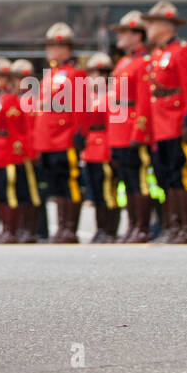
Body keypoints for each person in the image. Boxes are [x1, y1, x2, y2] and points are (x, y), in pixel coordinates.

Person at [142, 0, 187, 244]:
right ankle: (171, 226)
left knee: (181, 174)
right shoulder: (157, 54)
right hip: (160, 125)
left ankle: (186, 229)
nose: (148, 29)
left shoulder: (183, 50)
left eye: (152, 23)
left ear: (166, 25)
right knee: (164, 175)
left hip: (178, 120)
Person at [31, 23, 86, 244]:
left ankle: (69, 228)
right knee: (55, 184)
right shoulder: (50, 75)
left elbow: (81, 107)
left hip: (64, 136)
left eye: (56, 45)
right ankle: (61, 227)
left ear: (67, 48)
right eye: (50, 45)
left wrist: (78, 133)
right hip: (48, 138)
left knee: (69, 182)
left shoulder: (75, 73)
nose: (51, 49)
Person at [108, 10, 153, 243]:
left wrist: (139, 131)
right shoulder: (124, 61)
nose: (120, 36)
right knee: (126, 180)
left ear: (138, 35)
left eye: (125, 31)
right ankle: (132, 225)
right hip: (119, 126)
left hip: (133, 125)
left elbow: (145, 101)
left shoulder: (144, 62)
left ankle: (142, 227)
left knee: (139, 180)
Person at [82, 51, 118, 243]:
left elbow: (113, 123)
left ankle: (110, 229)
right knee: (95, 193)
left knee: (107, 192)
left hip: (105, 143)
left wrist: (112, 148)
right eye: (91, 74)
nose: (92, 78)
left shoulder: (111, 96)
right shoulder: (89, 97)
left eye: (97, 73)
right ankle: (100, 228)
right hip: (91, 147)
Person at [9, 58, 41, 243]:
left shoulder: (31, 99)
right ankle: (23, 228)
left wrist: (30, 152)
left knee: (31, 192)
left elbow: (31, 129)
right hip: (16, 152)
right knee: (21, 190)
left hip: (27, 153)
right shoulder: (17, 98)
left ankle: (32, 229)